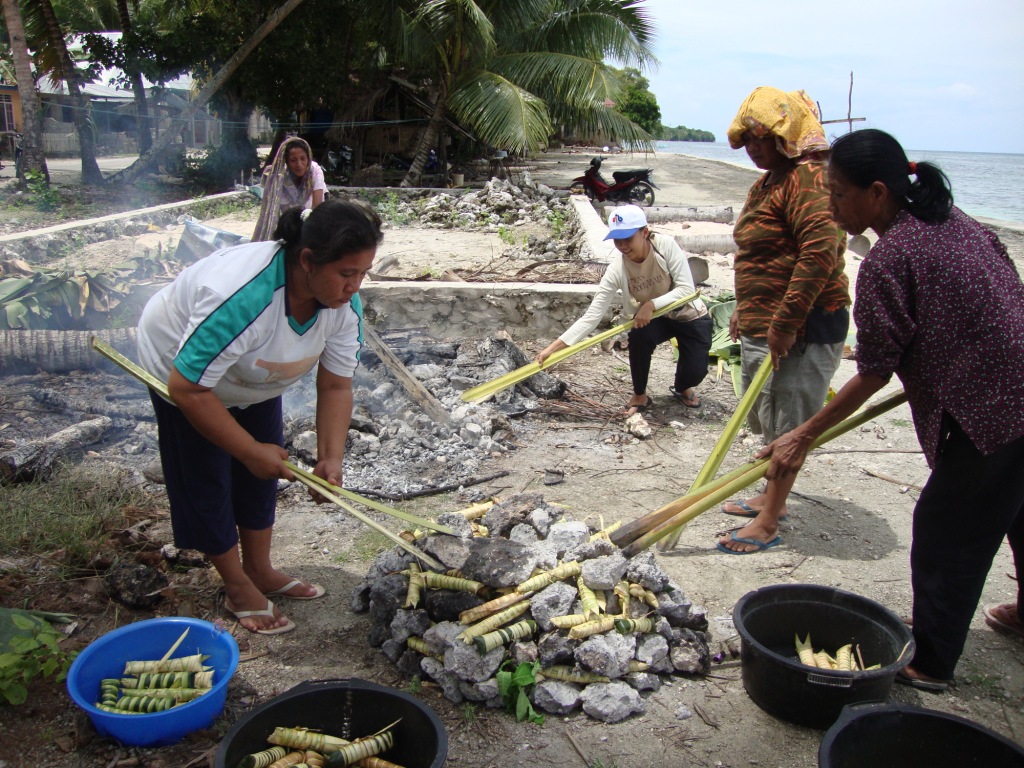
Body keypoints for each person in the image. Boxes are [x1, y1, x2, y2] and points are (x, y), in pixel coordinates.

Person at [728, 128, 1024, 690]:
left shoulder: (892, 255)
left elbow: (872, 371)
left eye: (838, 194)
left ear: (878, 193)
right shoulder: (956, 222)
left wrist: (803, 434)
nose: (832, 205)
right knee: (1017, 511)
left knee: (946, 531)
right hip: (1008, 386)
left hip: (993, 406)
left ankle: (929, 664)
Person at [138, 199, 383, 634]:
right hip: (184, 377)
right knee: (208, 476)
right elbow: (188, 387)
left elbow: (335, 384)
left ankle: (260, 568)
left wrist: (331, 459)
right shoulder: (240, 296)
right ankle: (236, 585)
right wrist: (248, 449)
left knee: (265, 470)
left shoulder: (344, 307)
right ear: (307, 259)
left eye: (363, 273)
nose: (354, 286)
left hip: (254, 378)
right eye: (347, 273)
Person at [718, 86, 851, 531]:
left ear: (786, 136)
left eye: (762, 138)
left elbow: (820, 253)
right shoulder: (769, 181)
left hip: (803, 327)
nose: (754, 148)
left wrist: (785, 323)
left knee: (790, 419)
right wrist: (744, 308)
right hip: (767, 323)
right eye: (748, 140)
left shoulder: (809, 179)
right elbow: (759, 255)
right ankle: (769, 494)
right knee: (768, 413)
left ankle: (772, 517)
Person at [535, 204, 711, 414]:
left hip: (689, 315)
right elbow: (591, 317)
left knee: (695, 371)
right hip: (657, 319)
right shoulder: (617, 269)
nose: (622, 245)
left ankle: (683, 386)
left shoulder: (665, 246)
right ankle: (640, 394)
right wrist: (551, 350)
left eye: (628, 238)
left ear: (644, 232)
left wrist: (651, 304)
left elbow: (686, 289)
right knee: (638, 336)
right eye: (617, 240)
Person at [252, 136, 328, 241]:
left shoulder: (315, 170)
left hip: (314, 217)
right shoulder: (280, 178)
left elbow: (317, 206)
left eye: (303, 159)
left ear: (308, 158)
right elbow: (287, 213)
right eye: (293, 160)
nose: (299, 164)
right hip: (294, 219)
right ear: (286, 162)